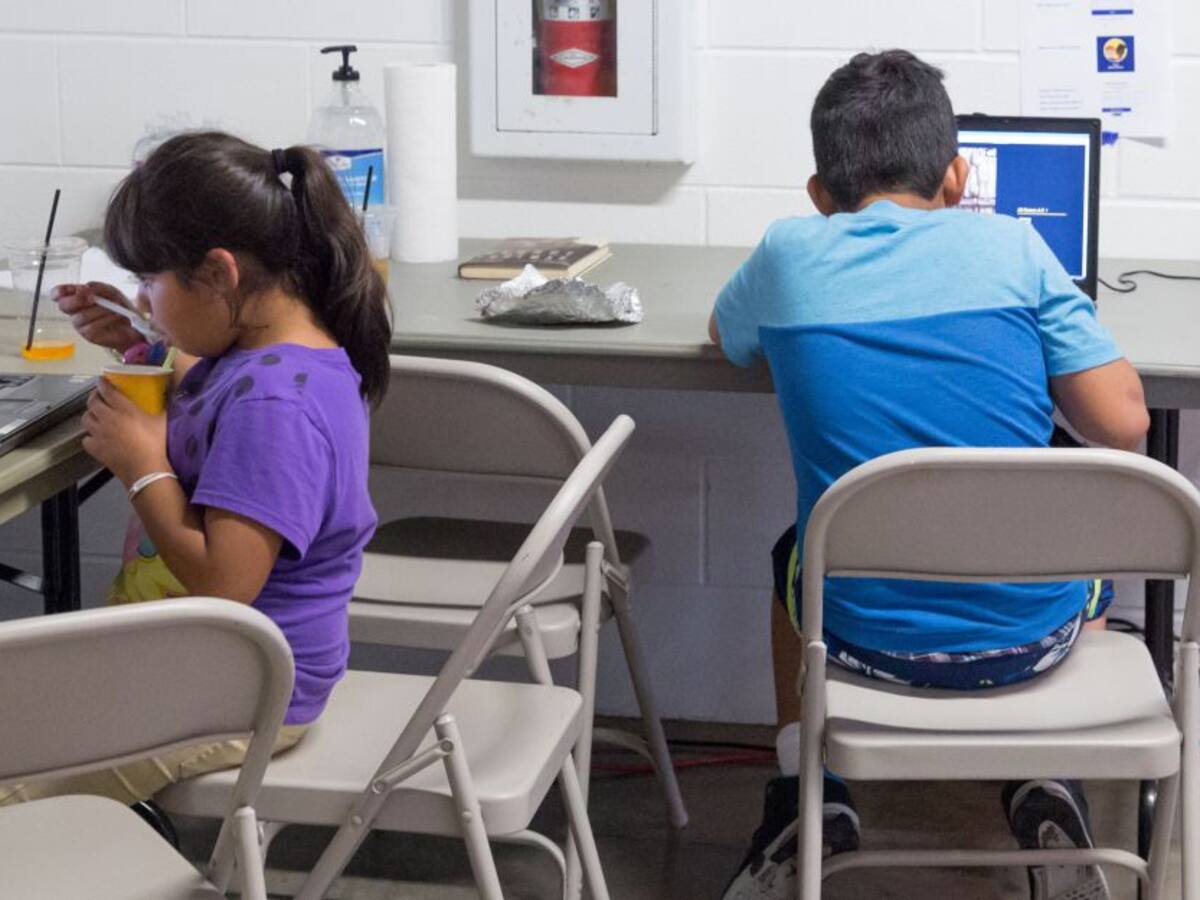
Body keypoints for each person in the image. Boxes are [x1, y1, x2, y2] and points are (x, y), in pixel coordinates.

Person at [709, 51, 1148, 900]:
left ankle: (810, 797)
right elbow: (1125, 425)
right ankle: (1045, 777)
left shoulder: (789, 253)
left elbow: (733, 340)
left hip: (861, 644)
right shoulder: (1017, 248)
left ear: (818, 193)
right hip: (1033, 641)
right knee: (1086, 557)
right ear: (959, 175)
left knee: (794, 553)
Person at [0, 131, 392, 816]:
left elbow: (225, 585)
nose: (145, 298)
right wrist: (137, 341)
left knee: (14, 784)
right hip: (194, 670)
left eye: (150, 281)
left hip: (232, 696)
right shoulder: (265, 356)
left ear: (219, 274)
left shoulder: (278, 405)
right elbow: (213, 398)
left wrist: (143, 465)